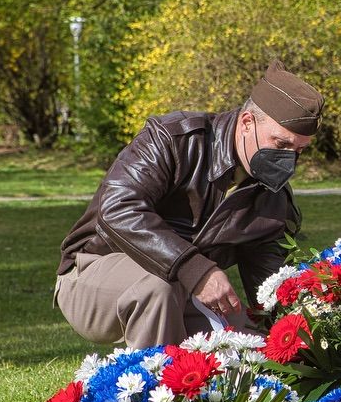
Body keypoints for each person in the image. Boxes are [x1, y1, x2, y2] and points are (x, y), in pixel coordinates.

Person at [54, 61, 323, 347]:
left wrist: (307, 328)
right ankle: (154, 389)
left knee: (254, 347)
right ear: (247, 122)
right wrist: (195, 269)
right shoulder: (174, 138)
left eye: (299, 150)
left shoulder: (273, 197)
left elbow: (268, 291)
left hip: (185, 292)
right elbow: (117, 209)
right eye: (281, 144)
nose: (289, 160)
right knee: (159, 288)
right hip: (93, 273)